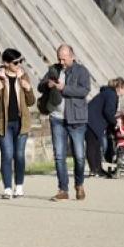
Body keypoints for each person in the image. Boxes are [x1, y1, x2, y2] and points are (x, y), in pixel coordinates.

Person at [38, 44, 92, 201]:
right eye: (59, 58)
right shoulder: (53, 69)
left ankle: (79, 184)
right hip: (57, 118)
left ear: (72, 56)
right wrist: (47, 85)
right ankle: (63, 189)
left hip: (76, 119)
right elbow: (40, 86)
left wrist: (64, 88)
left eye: (64, 58)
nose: (61, 62)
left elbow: (84, 91)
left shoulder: (81, 71)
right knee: (59, 155)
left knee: (79, 155)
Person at [0, 49, 35, 199]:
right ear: (6, 63)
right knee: (7, 155)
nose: (19, 64)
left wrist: (28, 89)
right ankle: (7, 188)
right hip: (3, 123)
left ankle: (19, 187)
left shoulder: (24, 77)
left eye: (21, 61)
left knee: (19, 155)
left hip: (21, 122)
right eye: (16, 62)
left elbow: (31, 102)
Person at [87, 78, 124, 178]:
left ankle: (98, 169)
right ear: (119, 87)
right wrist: (115, 123)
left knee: (96, 146)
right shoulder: (111, 95)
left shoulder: (108, 93)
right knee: (92, 146)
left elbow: (108, 111)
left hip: (93, 120)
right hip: (91, 121)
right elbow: (108, 112)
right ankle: (94, 170)